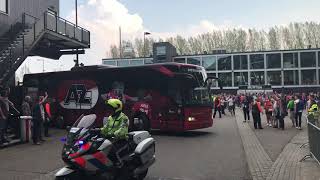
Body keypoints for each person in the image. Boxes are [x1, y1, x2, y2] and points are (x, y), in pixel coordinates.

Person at [100, 99, 129, 166]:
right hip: (110, 140)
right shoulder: (110, 118)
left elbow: (122, 130)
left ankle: (119, 165)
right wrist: (98, 130)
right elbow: (105, 128)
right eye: (108, 109)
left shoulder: (124, 118)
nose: (109, 110)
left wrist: (112, 134)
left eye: (110, 109)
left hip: (121, 141)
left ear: (117, 108)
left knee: (111, 150)